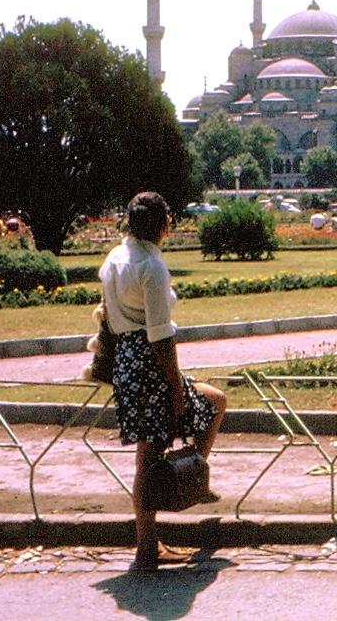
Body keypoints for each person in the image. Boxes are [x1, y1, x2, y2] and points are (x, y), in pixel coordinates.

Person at [100, 192, 227, 572]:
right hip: (150, 365)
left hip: (128, 362)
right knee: (154, 452)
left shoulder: (116, 258)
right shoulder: (150, 268)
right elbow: (160, 335)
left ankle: (157, 529)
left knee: (153, 451)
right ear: (163, 225)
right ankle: (154, 536)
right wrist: (174, 387)